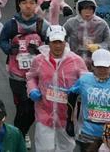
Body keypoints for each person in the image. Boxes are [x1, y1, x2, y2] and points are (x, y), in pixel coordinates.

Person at [25, 23, 87, 152]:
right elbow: (31, 77)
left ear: (65, 41)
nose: (58, 46)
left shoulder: (76, 61)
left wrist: (78, 89)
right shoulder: (39, 60)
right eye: (54, 42)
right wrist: (32, 90)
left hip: (67, 115)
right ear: (48, 42)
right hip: (44, 112)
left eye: (60, 42)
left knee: (66, 148)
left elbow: (86, 81)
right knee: (44, 148)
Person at [0, 0, 49, 139]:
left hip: (37, 75)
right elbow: (2, 40)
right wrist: (9, 49)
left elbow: (50, 44)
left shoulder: (42, 25)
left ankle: (20, 133)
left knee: (33, 108)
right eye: (24, 2)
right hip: (16, 75)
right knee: (22, 107)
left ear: (36, 5)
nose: (28, 6)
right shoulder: (11, 25)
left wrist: (40, 50)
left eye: (32, 3)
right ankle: (19, 136)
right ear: (19, 5)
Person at [68, 48, 110, 150]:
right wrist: (70, 120)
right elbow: (71, 96)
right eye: (99, 67)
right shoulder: (84, 80)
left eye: (105, 67)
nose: (102, 70)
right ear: (92, 65)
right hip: (88, 133)